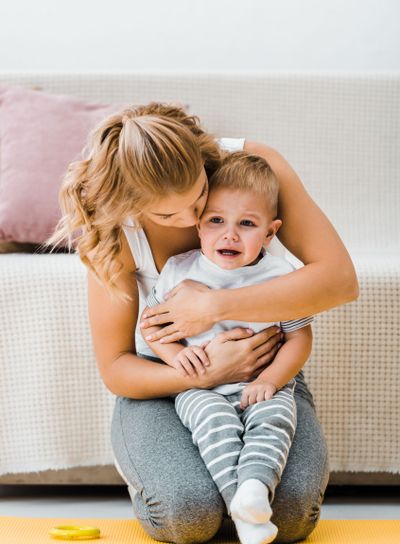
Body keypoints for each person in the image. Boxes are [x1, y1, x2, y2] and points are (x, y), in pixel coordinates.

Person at [47, 102, 358, 544]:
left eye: (198, 198)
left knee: (292, 517)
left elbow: (340, 281)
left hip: (262, 375)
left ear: (200, 159)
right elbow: (117, 366)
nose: (193, 221)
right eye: (167, 216)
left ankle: (241, 495)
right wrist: (206, 372)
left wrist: (212, 306)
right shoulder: (117, 228)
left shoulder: (252, 168)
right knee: (189, 515)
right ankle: (173, 474)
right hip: (168, 384)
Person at [141, 151, 314, 544]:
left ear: (270, 233)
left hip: (262, 382)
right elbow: (150, 327)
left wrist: (271, 379)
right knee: (213, 423)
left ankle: (254, 488)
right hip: (199, 387)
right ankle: (242, 507)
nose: (229, 234)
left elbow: (299, 338)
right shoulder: (180, 270)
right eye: (216, 221)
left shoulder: (281, 276)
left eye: (247, 224)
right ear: (199, 227)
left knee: (272, 421)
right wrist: (177, 356)